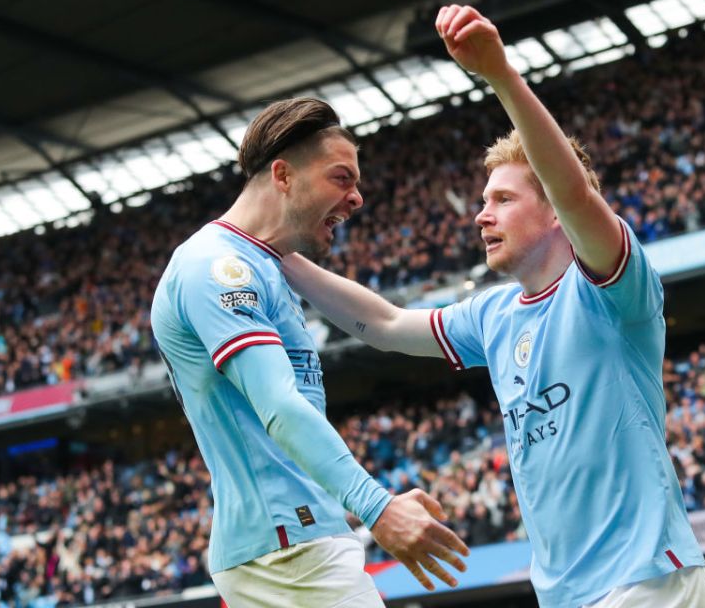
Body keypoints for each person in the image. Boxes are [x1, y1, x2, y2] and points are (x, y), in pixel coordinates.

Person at [281, 7, 705, 607]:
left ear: (554, 210)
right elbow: (384, 323)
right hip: (567, 594)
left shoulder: (614, 290)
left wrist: (500, 76)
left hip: (645, 580)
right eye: (484, 200)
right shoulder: (495, 314)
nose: (481, 214)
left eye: (503, 199)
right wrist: (280, 257)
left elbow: (576, 193)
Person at [150, 98, 468, 608]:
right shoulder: (217, 267)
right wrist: (376, 507)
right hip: (286, 549)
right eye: (342, 178)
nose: (358, 197)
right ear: (282, 175)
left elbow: (383, 322)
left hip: (296, 540)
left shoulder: (264, 262)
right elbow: (279, 406)